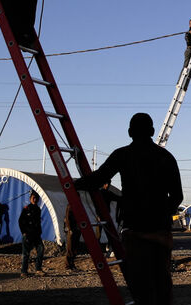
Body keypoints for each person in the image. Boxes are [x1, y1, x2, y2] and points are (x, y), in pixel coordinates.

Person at [75, 113, 183, 305]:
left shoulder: (123, 155)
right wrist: (160, 214)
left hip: (134, 229)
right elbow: (177, 196)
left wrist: (72, 184)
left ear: (129, 132)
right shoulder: (166, 157)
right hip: (160, 231)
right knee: (161, 283)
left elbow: (98, 178)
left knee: (140, 285)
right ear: (151, 131)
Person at [19, 191, 46, 276]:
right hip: (28, 234)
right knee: (26, 253)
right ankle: (24, 271)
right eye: (33, 198)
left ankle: (38, 269)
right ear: (30, 199)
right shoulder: (26, 209)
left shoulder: (38, 209)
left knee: (41, 249)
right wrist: (24, 232)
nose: (34, 200)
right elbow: (20, 221)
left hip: (36, 234)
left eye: (36, 198)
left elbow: (38, 222)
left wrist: (39, 232)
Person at [64, 202, 81, 270]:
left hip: (76, 229)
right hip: (72, 230)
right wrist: (70, 229)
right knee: (70, 248)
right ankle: (68, 265)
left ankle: (72, 264)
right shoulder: (70, 206)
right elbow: (68, 218)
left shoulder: (78, 206)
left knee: (74, 248)